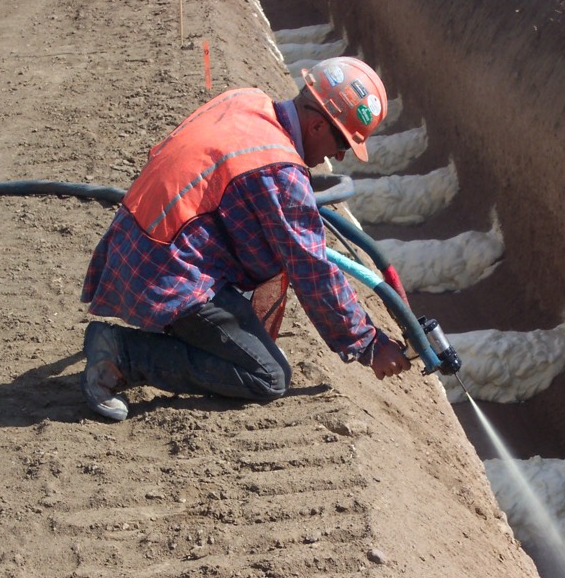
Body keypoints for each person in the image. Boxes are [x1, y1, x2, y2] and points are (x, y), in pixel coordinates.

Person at [78, 56, 411, 422]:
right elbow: (312, 271)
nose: (340, 154)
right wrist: (368, 343)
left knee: (257, 300)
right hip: (165, 276)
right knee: (268, 376)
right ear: (317, 125)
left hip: (133, 244)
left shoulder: (244, 100)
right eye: (342, 142)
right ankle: (122, 354)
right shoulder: (281, 172)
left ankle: (177, 337)